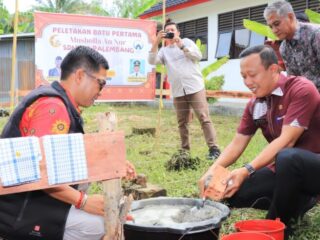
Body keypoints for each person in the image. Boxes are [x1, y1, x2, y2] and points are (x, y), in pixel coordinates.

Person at [0, 46, 136, 240]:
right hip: (21, 210)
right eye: (101, 83)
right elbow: (40, 171)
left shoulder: (60, 101)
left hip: (34, 202)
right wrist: (83, 201)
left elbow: (65, 158)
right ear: (80, 75)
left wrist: (109, 165)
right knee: (102, 226)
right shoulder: (52, 107)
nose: (101, 92)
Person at [199, 45, 320, 238]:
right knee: (231, 192)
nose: (247, 82)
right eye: (243, 76)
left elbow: (287, 141)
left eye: (252, 75)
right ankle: (299, 200)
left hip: (313, 167)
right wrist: (213, 171)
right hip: (285, 173)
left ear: (273, 69)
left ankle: (274, 227)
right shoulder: (255, 104)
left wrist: (246, 170)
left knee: (287, 157)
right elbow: (237, 143)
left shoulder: (301, 89)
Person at [148, 21, 220, 160]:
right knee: (182, 122)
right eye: (167, 30)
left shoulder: (187, 42)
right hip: (178, 91)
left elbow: (197, 56)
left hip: (195, 87)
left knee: (204, 118)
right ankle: (185, 151)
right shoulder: (163, 51)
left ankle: (214, 149)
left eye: (172, 30)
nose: (170, 32)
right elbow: (152, 61)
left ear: (178, 32)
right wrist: (156, 42)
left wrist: (181, 45)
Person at [264, 0, 320, 91]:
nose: (274, 30)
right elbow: (294, 82)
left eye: (276, 24)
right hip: (306, 99)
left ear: (290, 17)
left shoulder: (316, 34)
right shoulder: (284, 48)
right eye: (271, 26)